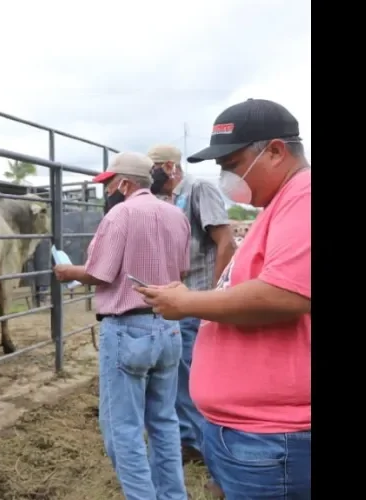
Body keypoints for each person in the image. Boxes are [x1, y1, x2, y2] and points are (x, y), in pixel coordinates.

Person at [136, 98, 311, 499]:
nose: (225, 176)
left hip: (269, 436)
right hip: (245, 431)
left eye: (231, 164)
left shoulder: (303, 197)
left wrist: (188, 303)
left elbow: (287, 294)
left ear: (275, 151)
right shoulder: (278, 204)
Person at [54, 152, 191, 500]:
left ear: (126, 183)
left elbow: (98, 273)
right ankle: (172, 495)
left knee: (122, 428)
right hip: (168, 327)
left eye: (110, 184)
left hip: (128, 329)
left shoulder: (121, 214)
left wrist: (68, 272)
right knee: (164, 421)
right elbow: (183, 272)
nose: (108, 191)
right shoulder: (176, 216)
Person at [146, 144, 237, 466]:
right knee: (179, 377)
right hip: (178, 301)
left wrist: (212, 298)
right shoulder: (162, 200)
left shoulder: (199, 189)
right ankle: (190, 440)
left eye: (153, 167)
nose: (150, 174)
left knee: (191, 379)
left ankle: (206, 448)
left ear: (170, 166)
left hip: (196, 299)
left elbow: (225, 242)